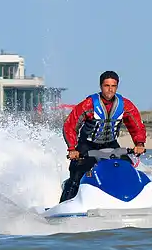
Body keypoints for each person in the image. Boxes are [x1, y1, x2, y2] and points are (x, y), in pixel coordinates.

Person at [59, 70, 146, 203]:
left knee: (126, 168)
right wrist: (72, 149)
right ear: (101, 86)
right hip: (87, 145)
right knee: (77, 174)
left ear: (117, 87)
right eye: (107, 86)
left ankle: (129, 201)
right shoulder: (88, 104)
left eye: (113, 86)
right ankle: (65, 204)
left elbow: (137, 126)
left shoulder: (126, 106)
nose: (110, 90)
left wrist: (139, 144)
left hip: (111, 144)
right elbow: (70, 125)